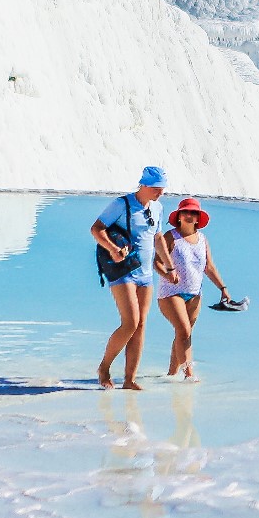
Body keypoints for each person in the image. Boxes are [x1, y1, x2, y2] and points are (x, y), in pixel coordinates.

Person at [93, 167, 170, 390]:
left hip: (145, 273)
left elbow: (157, 238)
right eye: (156, 188)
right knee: (130, 323)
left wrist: (169, 266)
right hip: (123, 270)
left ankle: (129, 379)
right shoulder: (122, 204)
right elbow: (97, 229)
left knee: (141, 325)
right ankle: (104, 368)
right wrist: (113, 248)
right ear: (143, 185)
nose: (160, 192)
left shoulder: (158, 208)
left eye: (162, 188)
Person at [156, 197, 231, 380]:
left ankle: (171, 375)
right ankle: (189, 374)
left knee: (182, 334)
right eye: (185, 212)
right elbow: (156, 262)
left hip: (195, 293)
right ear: (179, 216)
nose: (189, 216)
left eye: (193, 213)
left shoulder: (202, 239)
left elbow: (209, 267)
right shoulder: (170, 236)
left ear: (198, 218)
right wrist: (168, 275)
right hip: (171, 292)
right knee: (184, 331)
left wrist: (223, 288)